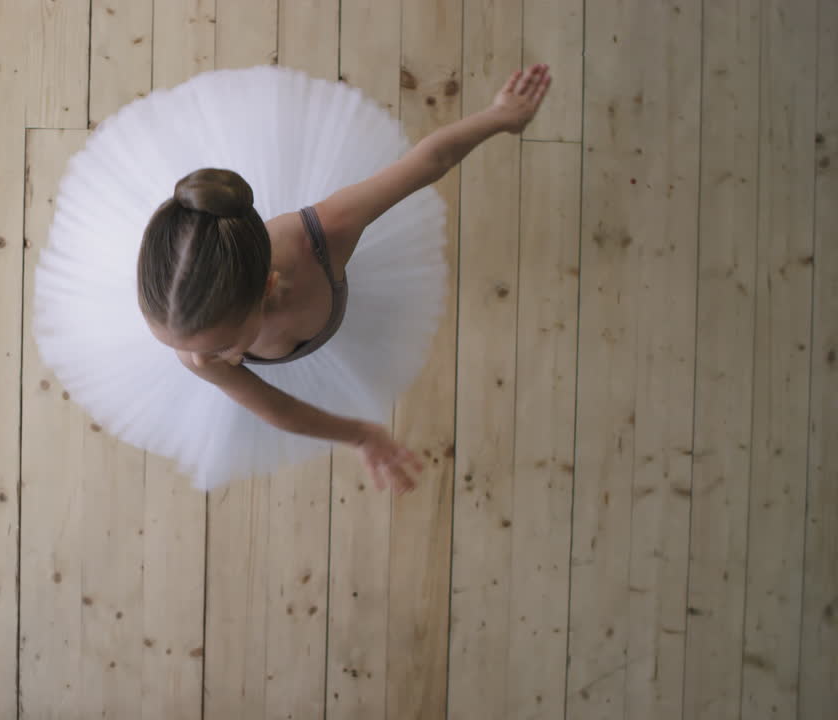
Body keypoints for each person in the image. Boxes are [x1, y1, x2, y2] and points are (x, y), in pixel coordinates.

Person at [33, 63, 551, 492]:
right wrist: (361, 435)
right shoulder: (198, 354)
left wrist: (501, 117)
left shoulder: (325, 236)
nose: (211, 362)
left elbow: (429, 160)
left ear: (265, 290)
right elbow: (276, 408)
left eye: (225, 348)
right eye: (199, 352)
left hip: (315, 275)